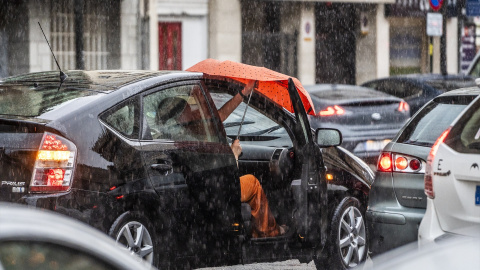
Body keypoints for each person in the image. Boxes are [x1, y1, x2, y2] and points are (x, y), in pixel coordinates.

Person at [218, 81, 287, 238]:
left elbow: (220, 115)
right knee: (252, 182)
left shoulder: (194, 123)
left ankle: (257, 230)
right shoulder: (201, 125)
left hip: (207, 186)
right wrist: (234, 153)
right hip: (220, 188)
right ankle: (268, 231)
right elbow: (230, 178)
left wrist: (243, 93)